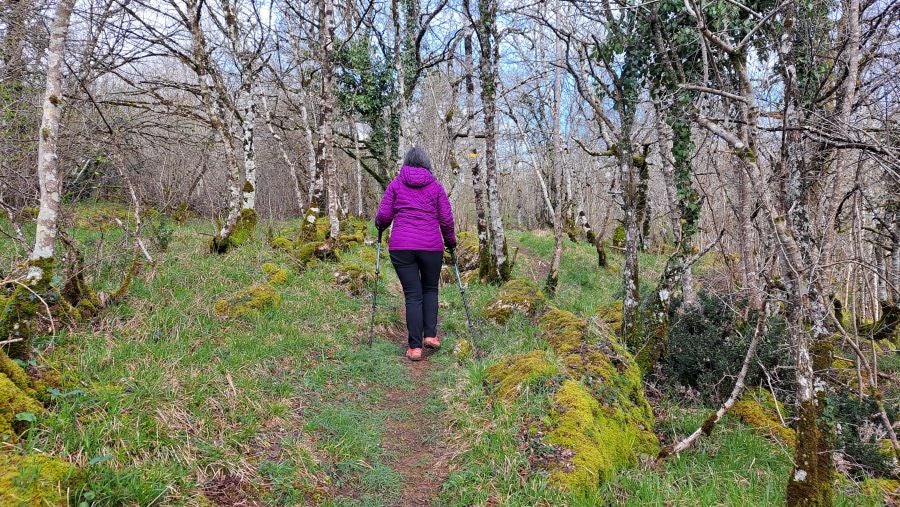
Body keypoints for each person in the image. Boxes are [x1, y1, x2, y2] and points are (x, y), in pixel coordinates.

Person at [375, 146, 456, 361]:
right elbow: (446, 219)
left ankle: (415, 348)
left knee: (413, 294)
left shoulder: (396, 184)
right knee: (430, 289)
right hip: (431, 246)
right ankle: (430, 335)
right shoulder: (436, 187)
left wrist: (380, 225)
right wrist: (451, 242)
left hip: (402, 247)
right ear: (427, 163)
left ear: (406, 163)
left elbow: (383, 215)